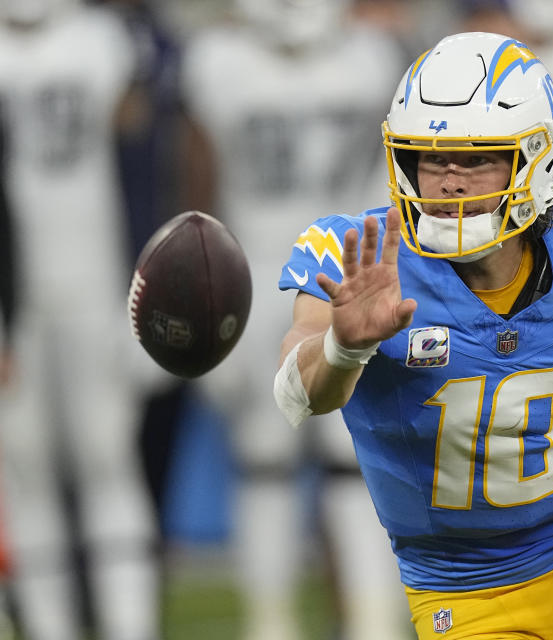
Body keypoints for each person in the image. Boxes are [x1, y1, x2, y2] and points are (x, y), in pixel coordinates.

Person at [272, 31, 553, 639]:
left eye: (477, 157)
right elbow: (298, 393)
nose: (448, 184)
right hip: (469, 594)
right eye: (431, 159)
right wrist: (343, 346)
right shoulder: (360, 260)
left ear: (535, 159)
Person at [179, 1, 410, 638]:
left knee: (286, 470)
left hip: (297, 281)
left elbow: (197, 188)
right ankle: (339, 624)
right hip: (315, 278)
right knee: (299, 468)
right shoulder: (371, 57)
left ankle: (323, 624)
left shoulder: (220, 61)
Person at [0, 0, 162, 638]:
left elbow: (145, 172)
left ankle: (127, 624)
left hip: (99, 288)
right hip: (23, 299)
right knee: (28, 469)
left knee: (103, 460)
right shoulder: (110, 42)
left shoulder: (108, 42)